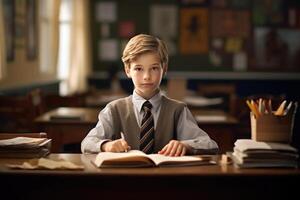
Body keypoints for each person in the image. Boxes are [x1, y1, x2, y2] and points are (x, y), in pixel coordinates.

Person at [81, 34, 218, 156]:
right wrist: (106, 145)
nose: (147, 76)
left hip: (166, 180)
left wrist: (186, 145)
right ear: (127, 70)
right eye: (139, 69)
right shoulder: (113, 109)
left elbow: (209, 144)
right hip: (124, 180)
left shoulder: (178, 110)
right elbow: (87, 143)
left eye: (154, 68)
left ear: (164, 69)